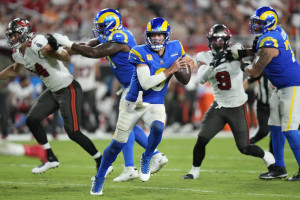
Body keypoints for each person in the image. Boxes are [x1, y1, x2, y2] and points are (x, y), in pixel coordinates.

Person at [52, 8, 168, 182]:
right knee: (127, 126)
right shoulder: (111, 35)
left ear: (110, 25)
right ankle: (135, 165)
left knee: (124, 126)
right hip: (130, 85)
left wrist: (67, 44)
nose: (98, 29)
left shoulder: (121, 39)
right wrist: (63, 46)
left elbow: (93, 53)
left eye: (101, 26)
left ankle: (150, 158)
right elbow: (86, 46)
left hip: (135, 85)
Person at [85, 17, 194, 195]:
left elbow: (187, 64)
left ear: (167, 36)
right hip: (133, 102)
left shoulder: (175, 47)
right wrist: (170, 71)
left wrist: (188, 64)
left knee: (158, 127)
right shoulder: (139, 51)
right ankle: (99, 178)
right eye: (153, 35)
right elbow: (145, 83)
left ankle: (147, 155)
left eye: (160, 35)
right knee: (116, 145)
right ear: (147, 36)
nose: (157, 38)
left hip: (155, 102)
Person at [0, 18, 107, 175]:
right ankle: (50, 157)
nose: (13, 38)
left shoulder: (37, 43)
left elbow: (66, 57)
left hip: (68, 88)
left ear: (24, 33)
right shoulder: (18, 53)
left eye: (16, 35)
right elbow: (14, 70)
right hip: (53, 91)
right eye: (11, 35)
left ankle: (101, 162)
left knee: (73, 132)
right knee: (32, 119)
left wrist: (53, 50)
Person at [182, 24, 275, 180]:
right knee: (202, 139)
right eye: (213, 40)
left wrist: (237, 55)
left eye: (220, 40)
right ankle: (194, 171)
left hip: (237, 106)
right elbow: (201, 78)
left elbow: (250, 53)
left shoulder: (235, 49)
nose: (216, 43)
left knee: (244, 148)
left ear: (226, 40)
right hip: (218, 106)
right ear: (209, 40)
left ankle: (267, 157)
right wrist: (213, 64)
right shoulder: (204, 56)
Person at [233, 6, 300, 181]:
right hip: (279, 87)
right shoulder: (274, 32)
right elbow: (257, 51)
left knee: (290, 130)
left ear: (268, 24)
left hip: (292, 86)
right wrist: (240, 53)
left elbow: (254, 71)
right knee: (275, 127)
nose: (255, 25)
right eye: (255, 22)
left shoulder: (270, 41)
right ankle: (279, 167)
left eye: (259, 23)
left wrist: (242, 64)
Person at [248, 72, 273, 154]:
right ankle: (247, 143)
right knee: (264, 130)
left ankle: (273, 155)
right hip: (262, 105)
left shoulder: (281, 68)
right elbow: (247, 82)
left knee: (275, 133)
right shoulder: (262, 70)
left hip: (276, 106)